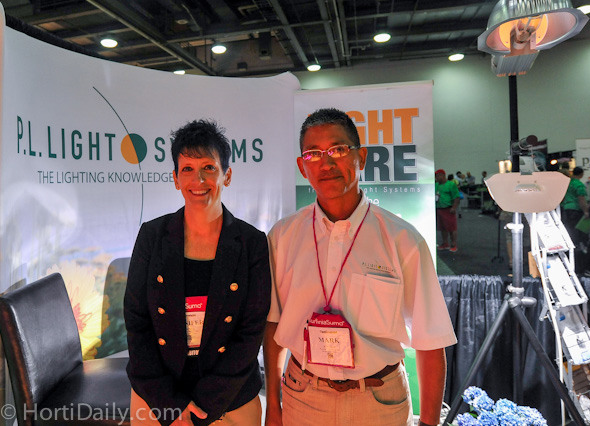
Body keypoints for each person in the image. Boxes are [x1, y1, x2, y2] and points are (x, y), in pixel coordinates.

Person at [263, 108, 457, 426]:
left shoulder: (402, 239)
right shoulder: (283, 237)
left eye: (338, 150)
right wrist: (273, 406)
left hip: (380, 402)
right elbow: (273, 325)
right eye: (313, 154)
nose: (326, 163)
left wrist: (429, 422)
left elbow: (430, 340)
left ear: (361, 157)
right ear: (302, 166)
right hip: (304, 398)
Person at [124, 119, 271, 426]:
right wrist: (170, 403)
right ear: (176, 178)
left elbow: (251, 332)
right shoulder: (152, 236)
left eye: (209, 167)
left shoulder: (252, 243)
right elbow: (137, 323)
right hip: (158, 400)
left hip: (229, 399)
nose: (198, 179)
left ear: (226, 175)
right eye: (187, 169)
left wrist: (204, 405)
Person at [560, 166, 589, 271]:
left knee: (569, 233)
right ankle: (578, 261)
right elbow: (581, 199)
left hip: (565, 210)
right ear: (581, 174)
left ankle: (568, 256)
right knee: (577, 235)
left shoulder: (568, 183)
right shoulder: (579, 185)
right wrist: (586, 211)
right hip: (575, 210)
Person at [435, 169, 461, 252]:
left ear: (443, 175)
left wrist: (454, 207)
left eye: (437, 176)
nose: (436, 178)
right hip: (439, 209)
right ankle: (445, 243)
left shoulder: (451, 184)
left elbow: (456, 197)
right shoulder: (436, 185)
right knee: (442, 228)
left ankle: (453, 244)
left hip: (449, 209)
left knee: (452, 228)